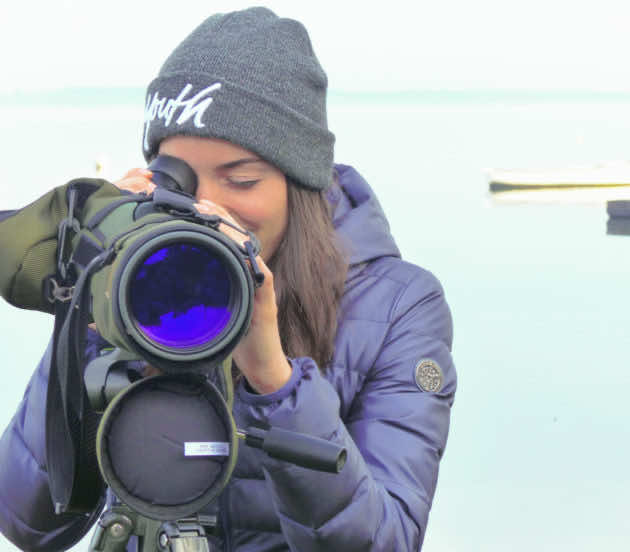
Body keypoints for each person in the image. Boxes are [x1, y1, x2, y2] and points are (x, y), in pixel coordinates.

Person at [0, 7, 456, 551]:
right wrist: (98, 300)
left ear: (300, 183)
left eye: (240, 179)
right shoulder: (133, 279)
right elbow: (27, 522)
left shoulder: (399, 305)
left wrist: (274, 378)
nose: (208, 206)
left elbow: (386, 542)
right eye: (179, 180)